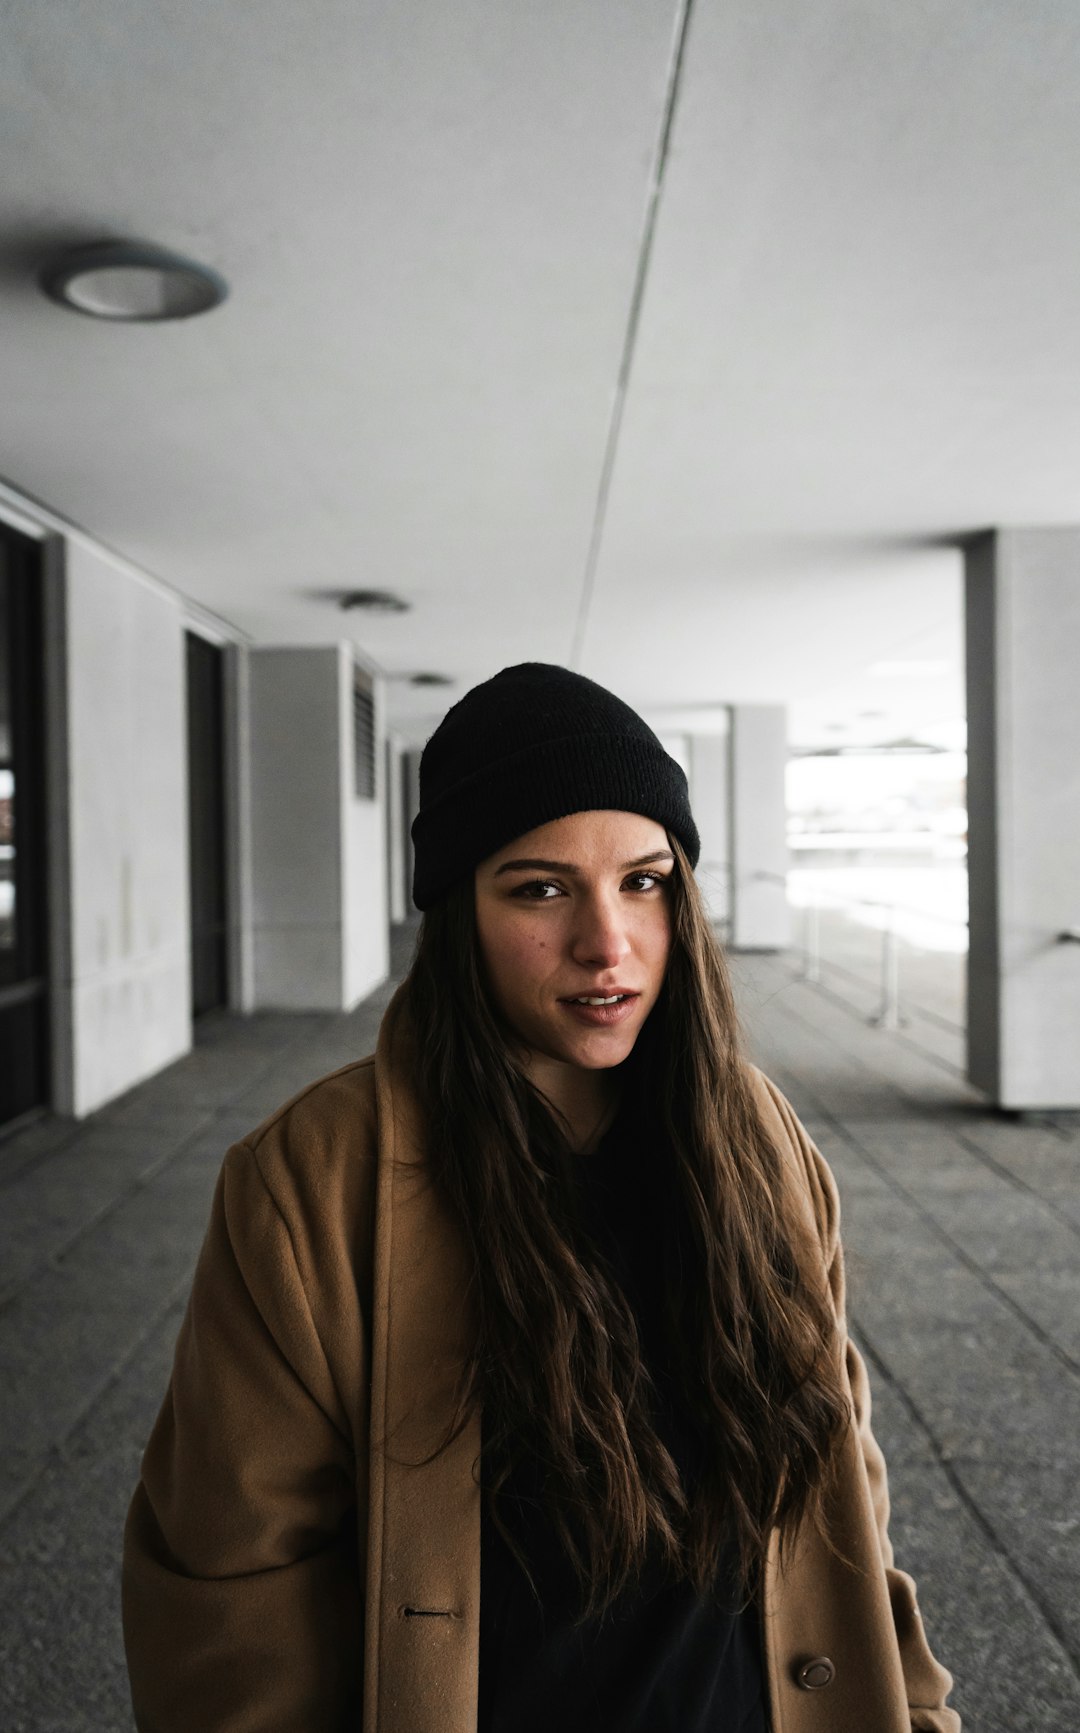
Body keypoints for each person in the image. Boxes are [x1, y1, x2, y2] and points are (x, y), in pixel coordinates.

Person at [122, 661, 960, 1733]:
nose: (607, 943)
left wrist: (919, 1706)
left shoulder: (760, 1137)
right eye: (541, 887)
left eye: (644, 881)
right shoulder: (312, 1179)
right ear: (458, 910)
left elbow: (843, 1480)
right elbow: (230, 1582)